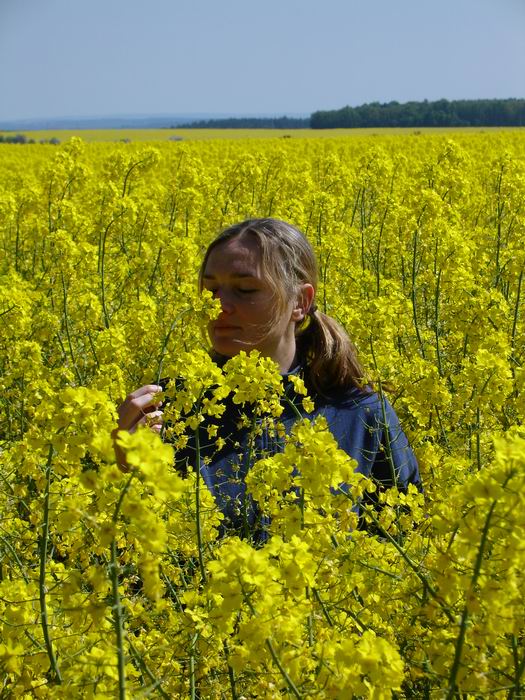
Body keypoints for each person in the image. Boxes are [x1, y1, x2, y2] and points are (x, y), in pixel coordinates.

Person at [115, 218, 421, 537]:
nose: (218, 306)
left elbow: (405, 545)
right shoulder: (169, 408)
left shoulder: (361, 414)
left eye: (245, 289)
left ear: (300, 302)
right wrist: (123, 471)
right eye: (210, 290)